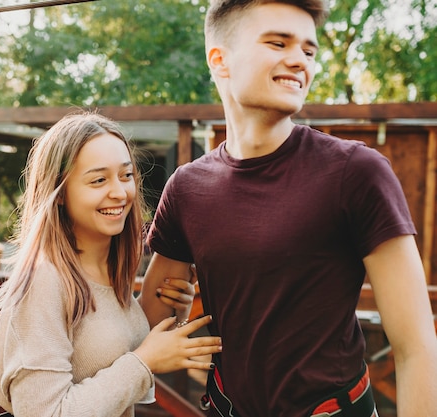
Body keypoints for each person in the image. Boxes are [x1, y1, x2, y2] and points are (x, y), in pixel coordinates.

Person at [139, 1, 437, 416]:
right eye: (278, 43)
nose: (298, 60)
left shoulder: (356, 172)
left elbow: (416, 347)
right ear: (220, 60)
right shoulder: (187, 188)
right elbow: (147, 327)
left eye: (309, 51)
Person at [0, 112, 222, 417]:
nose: (119, 192)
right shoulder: (44, 280)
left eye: (125, 176)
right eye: (98, 180)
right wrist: (144, 363)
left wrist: (174, 313)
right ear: (59, 193)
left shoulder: (107, 270)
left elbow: (107, 349)